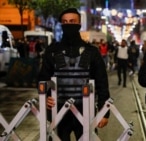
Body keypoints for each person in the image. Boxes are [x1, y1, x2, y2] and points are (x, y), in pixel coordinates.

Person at [37, 8, 110, 140]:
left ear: (79, 24)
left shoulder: (92, 52)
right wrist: (46, 96)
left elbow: (102, 83)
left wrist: (105, 112)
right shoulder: (52, 51)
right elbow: (43, 79)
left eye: (72, 21)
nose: (68, 24)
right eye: (65, 22)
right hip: (58, 111)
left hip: (85, 111)